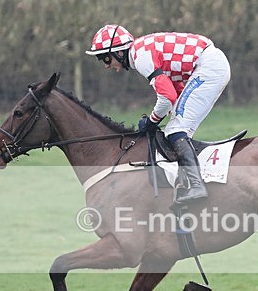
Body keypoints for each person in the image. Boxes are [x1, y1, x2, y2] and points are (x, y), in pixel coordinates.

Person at [86, 24, 231, 204]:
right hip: (208, 64)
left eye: (105, 58)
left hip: (208, 66)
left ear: (120, 52)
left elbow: (167, 97)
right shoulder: (141, 51)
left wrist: (151, 122)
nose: (106, 65)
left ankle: (196, 185)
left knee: (176, 129)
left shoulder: (141, 57)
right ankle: (188, 179)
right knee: (177, 127)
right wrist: (160, 116)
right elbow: (175, 91)